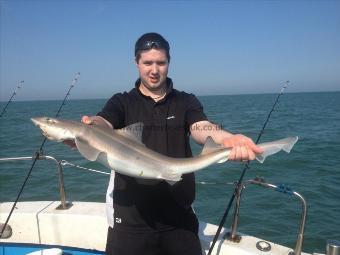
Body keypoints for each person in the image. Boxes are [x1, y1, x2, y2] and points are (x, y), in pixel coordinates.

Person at [81, 32, 263, 255]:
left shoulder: (185, 101)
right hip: (130, 218)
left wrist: (227, 138)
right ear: (136, 63)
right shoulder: (122, 102)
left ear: (169, 62)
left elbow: (200, 127)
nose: (154, 70)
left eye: (161, 62)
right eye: (147, 63)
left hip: (179, 216)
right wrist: (91, 126)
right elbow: (104, 121)